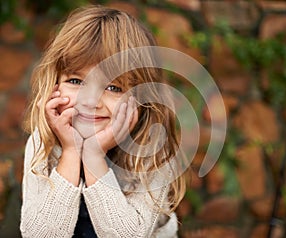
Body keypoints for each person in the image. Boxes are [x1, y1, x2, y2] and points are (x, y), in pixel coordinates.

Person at [20, 4, 186, 238]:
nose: (90, 100)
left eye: (113, 87)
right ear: (54, 83)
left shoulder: (152, 150)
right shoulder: (43, 143)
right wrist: (71, 151)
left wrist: (93, 155)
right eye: (76, 81)